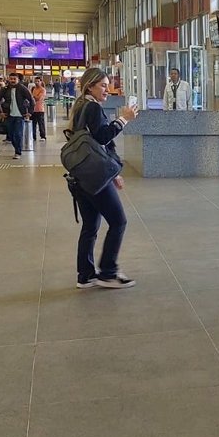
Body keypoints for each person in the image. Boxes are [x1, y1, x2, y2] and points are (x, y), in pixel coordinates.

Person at [66, 67, 139, 289]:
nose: (107, 90)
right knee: (118, 221)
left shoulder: (78, 107)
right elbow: (103, 138)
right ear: (90, 86)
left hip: (80, 175)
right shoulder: (92, 108)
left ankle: (86, 275)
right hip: (95, 178)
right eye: (103, 86)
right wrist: (123, 120)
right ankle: (108, 272)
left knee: (90, 226)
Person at [0, 73, 34, 159]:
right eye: (11, 79)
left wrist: (29, 112)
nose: (13, 80)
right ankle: (17, 148)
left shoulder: (22, 89)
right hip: (9, 115)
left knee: (18, 134)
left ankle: (18, 152)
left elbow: (31, 100)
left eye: (14, 79)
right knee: (11, 135)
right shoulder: (5, 89)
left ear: (18, 80)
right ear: (8, 79)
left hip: (19, 115)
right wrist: (0, 112)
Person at [30, 76, 48, 141]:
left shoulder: (43, 90)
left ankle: (43, 136)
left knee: (41, 124)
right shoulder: (34, 89)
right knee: (33, 124)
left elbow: (38, 98)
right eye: (35, 81)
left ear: (41, 82)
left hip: (40, 109)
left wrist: (33, 96)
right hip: (33, 109)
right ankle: (33, 136)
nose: (37, 82)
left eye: (38, 81)